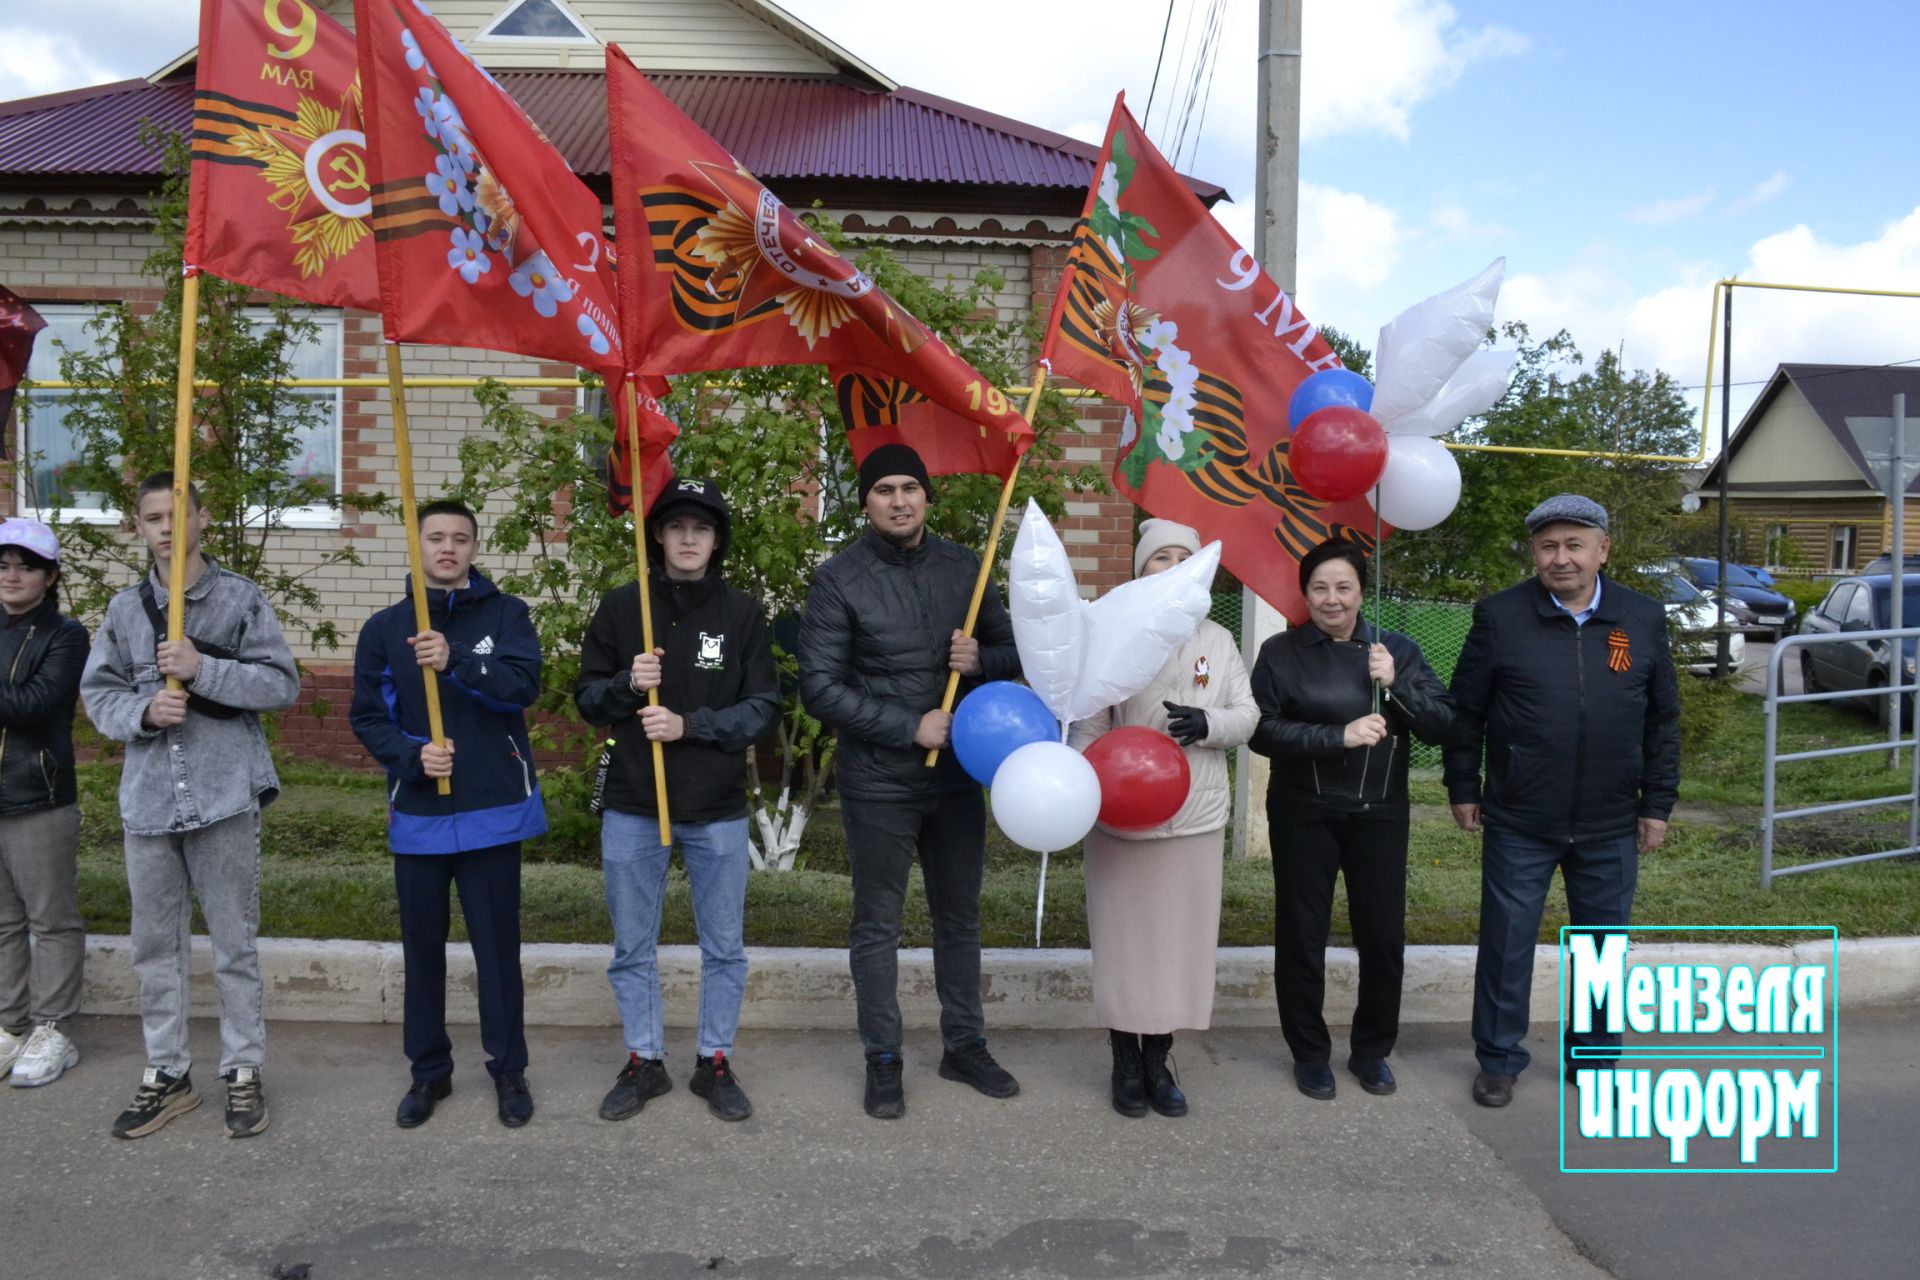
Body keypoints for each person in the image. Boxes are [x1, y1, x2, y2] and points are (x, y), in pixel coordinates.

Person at [799, 443, 1022, 1119]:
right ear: (865, 502)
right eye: (884, 490)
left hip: (958, 779)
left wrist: (982, 658)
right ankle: (885, 1058)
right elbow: (819, 688)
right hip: (878, 782)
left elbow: (1024, 656)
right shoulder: (839, 579)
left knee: (960, 919)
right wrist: (907, 727)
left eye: (910, 488)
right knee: (878, 924)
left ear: (929, 497)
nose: (899, 500)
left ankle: (965, 1045)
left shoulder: (968, 571)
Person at [80, 473, 300, 1138]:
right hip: (149, 803)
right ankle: (168, 1074)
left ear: (203, 519)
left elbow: (279, 683)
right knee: (155, 947)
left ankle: (242, 1068)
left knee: (234, 941)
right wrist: (145, 710)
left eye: (178, 514)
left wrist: (203, 668)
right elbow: (100, 695)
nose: (166, 528)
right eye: (152, 518)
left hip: (223, 796)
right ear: (138, 528)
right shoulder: (123, 613)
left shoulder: (239, 601)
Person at [1444, 494, 1679, 1108]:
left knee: (1602, 947)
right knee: (1506, 943)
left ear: (1603, 550)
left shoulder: (1642, 619)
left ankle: (1595, 1058)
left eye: (1575, 545)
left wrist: (1657, 803)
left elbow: (1662, 721)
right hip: (1521, 817)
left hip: (1610, 818)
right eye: (1549, 546)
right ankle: (1498, 1059)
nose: (1561, 558)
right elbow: (1466, 715)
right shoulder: (1500, 618)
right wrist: (1463, 789)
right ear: (1534, 552)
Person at [575, 478, 778, 1124]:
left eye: (702, 528)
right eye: (677, 526)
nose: (689, 538)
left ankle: (714, 1059)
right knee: (633, 945)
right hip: (635, 803)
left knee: (724, 946)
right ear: (657, 535)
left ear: (716, 542)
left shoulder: (743, 614)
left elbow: (763, 709)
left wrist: (691, 725)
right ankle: (645, 1059)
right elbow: (587, 700)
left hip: (716, 810)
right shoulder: (620, 609)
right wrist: (629, 685)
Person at [349, 500, 546, 1130]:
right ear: (418, 543)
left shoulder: (507, 614)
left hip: (493, 810)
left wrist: (457, 660)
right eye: (435, 537)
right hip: (420, 816)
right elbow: (369, 716)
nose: (447, 548)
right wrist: (412, 756)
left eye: (460, 538)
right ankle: (428, 1073)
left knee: (497, 950)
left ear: (474, 546)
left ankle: (509, 1070)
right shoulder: (385, 628)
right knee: (423, 952)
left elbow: (522, 685)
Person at [1250, 538, 1453, 1101]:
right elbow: (1262, 731)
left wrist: (1397, 685)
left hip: (1379, 815)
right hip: (1303, 813)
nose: (1332, 599)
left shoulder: (1397, 650)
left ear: (1363, 590)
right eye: (1319, 587)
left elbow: (1443, 723)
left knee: (1382, 937)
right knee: (1301, 935)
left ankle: (1371, 1051)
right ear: (1305, 593)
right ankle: (1309, 1053)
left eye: (1343, 587)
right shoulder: (1279, 652)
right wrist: (1336, 737)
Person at [1068, 519, 1257, 1118]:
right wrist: (1080, 778)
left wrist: (1211, 725)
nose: (1173, 566)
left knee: (1179, 946)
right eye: (1159, 558)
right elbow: (1089, 723)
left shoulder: (1219, 640)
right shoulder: (1111, 636)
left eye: (1185, 557)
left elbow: (1246, 713)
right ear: (1139, 568)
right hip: (1122, 818)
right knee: (1127, 945)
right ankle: (1126, 1061)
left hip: (1194, 818)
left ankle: (1160, 1060)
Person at [0, 517, 90, 1088]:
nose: (11, 576)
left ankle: (53, 1028)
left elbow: (32, 706)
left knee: (50, 920)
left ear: (50, 576)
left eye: (25, 566)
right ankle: (9, 1026)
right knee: (3, 921)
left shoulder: (65, 635)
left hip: (39, 797)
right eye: (3, 565)